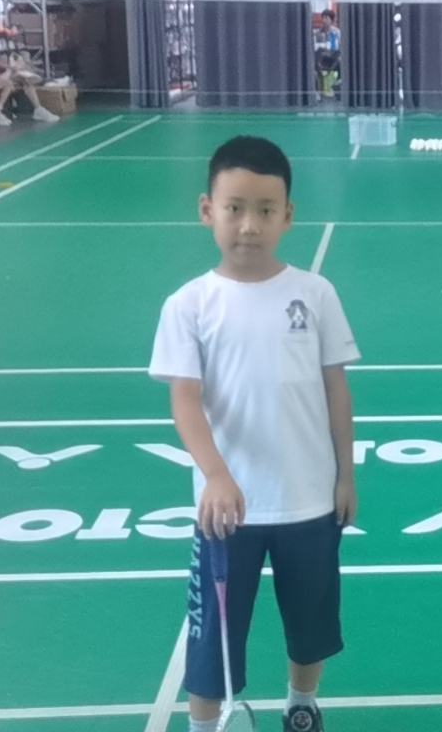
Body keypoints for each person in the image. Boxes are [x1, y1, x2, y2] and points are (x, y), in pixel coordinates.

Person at [150, 136, 360, 732]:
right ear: (207, 210)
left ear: (287, 216)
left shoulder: (315, 295)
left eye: (266, 210)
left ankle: (302, 703)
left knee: (311, 622)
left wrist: (346, 475)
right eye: (235, 208)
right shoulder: (189, 305)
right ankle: (203, 725)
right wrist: (216, 475)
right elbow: (185, 402)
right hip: (226, 512)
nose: (249, 225)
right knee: (213, 637)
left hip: (309, 500)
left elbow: (336, 390)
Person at [313, 11, 342, 100]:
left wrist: (321, 45)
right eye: (323, 18)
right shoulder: (319, 32)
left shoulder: (335, 31)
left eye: (326, 18)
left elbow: (333, 47)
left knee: (340, 61)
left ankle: (338, 85)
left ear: (331, 20)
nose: (324, 20)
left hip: (333, 57)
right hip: (322, 58)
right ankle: (317, 92)